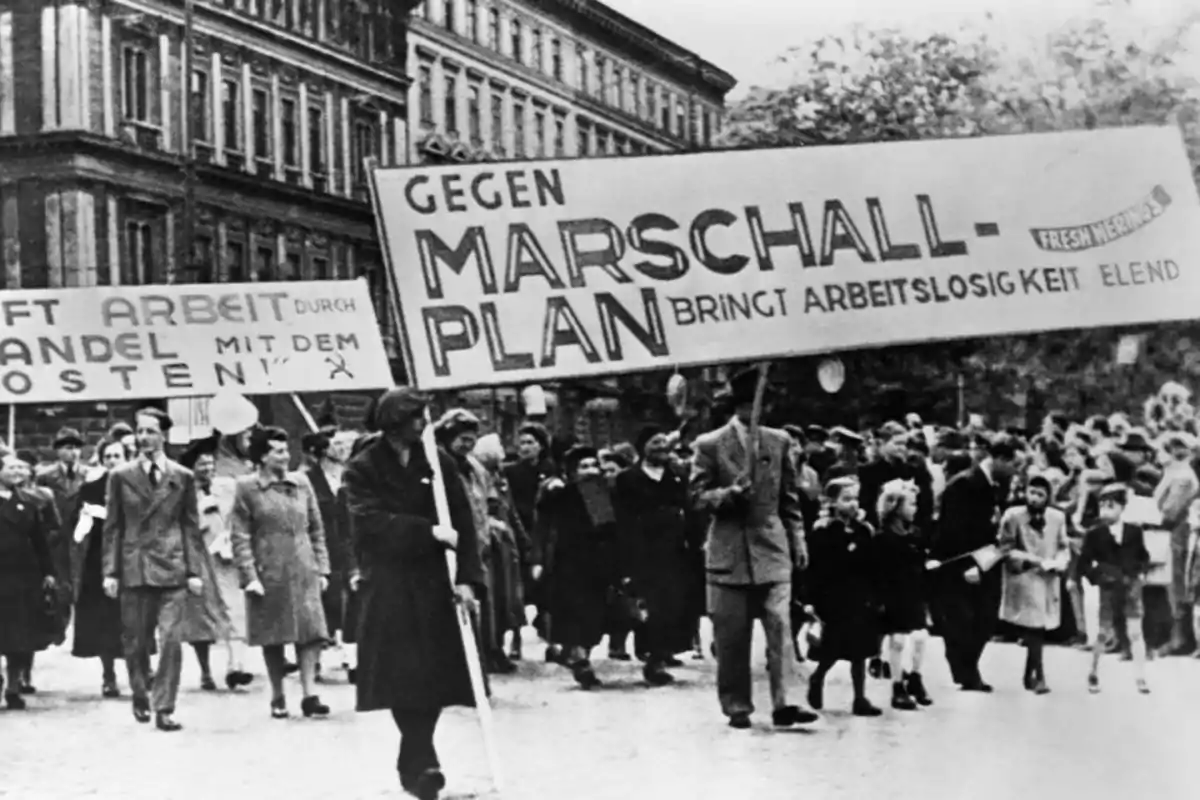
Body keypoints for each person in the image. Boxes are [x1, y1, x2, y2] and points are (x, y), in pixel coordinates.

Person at [342, 388, 484, 800]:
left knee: (433, 674)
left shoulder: (438, 463)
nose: (425, 424)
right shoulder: (363, 467)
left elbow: (463, 522)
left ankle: (417, 756)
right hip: (389, 584)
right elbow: (367, 524)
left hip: (434, 582)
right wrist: (427, 532)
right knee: (401, 676)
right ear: (395, 421)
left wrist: (468, 579)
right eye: (418, 417)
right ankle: (422, 759)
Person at [689, 367, 816, 730]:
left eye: (758, 404)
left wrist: (797, 538)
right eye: (746, 404)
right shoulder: (710, 444)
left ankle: (787, 701)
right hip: (728, 551)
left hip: (772, 548)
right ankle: (737, 705)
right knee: (731, 635)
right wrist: (728, 495)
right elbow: (696, 497)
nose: (754, 411)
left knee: (781, 625)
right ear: (736, 405)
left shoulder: (779, 442)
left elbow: (789, 499)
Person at [102, 407, 206, 732]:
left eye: (150, 431)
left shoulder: (182, 476)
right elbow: (113, 527)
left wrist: (194, 571)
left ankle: (164, 706)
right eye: (140, 431)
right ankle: (139, 691)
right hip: (135, 567)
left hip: (172, 567)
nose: (144, 437)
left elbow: (190, 526)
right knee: (136, 642)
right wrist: (110, 571)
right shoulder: (120, 476)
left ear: (164, 435)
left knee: (171, 640)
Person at [230, 426, 331, 719]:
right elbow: (240, 536)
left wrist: (322, 568)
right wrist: (249, 576)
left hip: (303, 566)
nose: (285, 456)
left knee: (310, 633)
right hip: (268, 569)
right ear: (263, 457)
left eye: (286, 450)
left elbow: (316, 528)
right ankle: (277, 694)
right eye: (278, 451)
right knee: (274, 635)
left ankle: (310, 694)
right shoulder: (247, 487)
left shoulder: (301, 483)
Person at [930, 435, 1017, 692]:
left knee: (986, 618)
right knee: (962, 620)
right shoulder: (965, 483)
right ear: (1000, 459)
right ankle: (966, 672)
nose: (1015, 471)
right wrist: (967, 565)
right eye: (1013, 464)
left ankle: (967, 669)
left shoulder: (993, 484)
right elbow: (953, 529)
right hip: (963, 562)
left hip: (987, 559)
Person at [532, 446, 622, 688]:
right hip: (569, 565)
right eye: (584, 467)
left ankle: (580, 656)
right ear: (572, 472)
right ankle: (580, 660)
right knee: (573, 615)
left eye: (594, 465)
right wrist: (538, 560)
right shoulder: (560, 495)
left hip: (600, 565)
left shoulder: (607, 495)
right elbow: (543, 526)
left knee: (596, 615)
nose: (591, 471)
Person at [613, 427, 694, 686]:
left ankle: (663, 652)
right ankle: (653, 658)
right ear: (642, 447)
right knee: (648, 604)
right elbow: (622, 517)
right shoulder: (628, 479)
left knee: (672, 603)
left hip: (674, 550)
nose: (661, 447)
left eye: (663, 442)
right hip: (642, 550)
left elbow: (688, 509)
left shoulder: (676, 476)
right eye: (654, 442)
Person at [804, 477, 883, 716]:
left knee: (860, 650)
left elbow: (872, 563)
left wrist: (875, 594)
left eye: (855, 498)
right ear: (832, 502)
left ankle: (860, 697)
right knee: (833, 646)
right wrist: (810, 600)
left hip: (859, 595)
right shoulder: (824, 530)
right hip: (833, 597)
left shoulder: (864, 529)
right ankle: (818, 677)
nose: (853, 504)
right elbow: (815, 568)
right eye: (846, 499)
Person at [180, 435, 252, 691]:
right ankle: (205, 671)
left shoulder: (226, 487)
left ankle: (236, 666)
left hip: (225, 557)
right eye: (202, 464)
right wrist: (202, 513)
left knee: (234, 609)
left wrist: (231, 535)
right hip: (199, 556)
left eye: (211, 464)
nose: (208, 469)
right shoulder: (184, 492)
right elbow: (182, 525)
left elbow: (240, 514)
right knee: (201, 617)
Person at [68, 440, 131, 698]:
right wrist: (86, 519)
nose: (112, 460)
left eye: (117, 456)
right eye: (108, 456)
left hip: (131, 556)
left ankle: (141, 669)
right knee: (104, 619)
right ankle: (109, 675)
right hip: (99, 558)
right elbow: (77, 531)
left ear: (126, 458)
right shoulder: (91, 488)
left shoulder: (137, 484)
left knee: (135, 617)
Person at [997, 474, 1070, 694]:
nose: (1035, 498)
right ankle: (1039, 676)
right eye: (1031, 492)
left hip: (1047, 576)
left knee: (1037, 626)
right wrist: (1031, 560)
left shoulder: (1057, 517)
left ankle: (1030, 672)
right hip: (1024, 575)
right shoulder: (1013, 516)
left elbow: (1063, 545)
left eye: (1040, 494)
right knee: (1035, 625)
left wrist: (1060, 562)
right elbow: (1005, 547)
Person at [1079, 483, 1152, 695]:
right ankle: (1093, 672)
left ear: (1122, 507)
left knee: (1135, 632)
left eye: (1111, 506)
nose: (1105, 511)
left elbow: (1144, 556)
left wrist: (1141, 573)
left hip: (1131, 586)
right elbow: (1084, 564)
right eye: (1102, 506)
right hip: (1108, 588)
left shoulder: (1134, 531)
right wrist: (1098, 578)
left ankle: (1141, 676)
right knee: (1103, 633)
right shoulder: (1094, 534)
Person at [0, 452, 58, 709]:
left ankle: (13, 687)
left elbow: (40, 542)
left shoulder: (28, 503)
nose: (17, 473)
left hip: (23, 577)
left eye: (20, 468)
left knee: (19, 636)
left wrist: (48, 572)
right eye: (11, 468)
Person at [873, 478, 933, 709]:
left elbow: (920, 561)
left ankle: (915, 677)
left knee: (920, 637)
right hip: (893, 594)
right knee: (897, 640)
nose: (914, 509)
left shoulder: (916, 534)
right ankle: (897, 685)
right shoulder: (883, 537)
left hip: (914, 592)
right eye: (910, 504)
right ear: (895, 506)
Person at [1153, 432, 1199, 655]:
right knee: (1172, 584)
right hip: (1171, 534)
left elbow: (1171, 510)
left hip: (1177, 534)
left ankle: (1180, 638)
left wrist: (1150, 516)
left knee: (1177, 584)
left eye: (1161, 450)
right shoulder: (1173, 473)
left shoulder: (1182, 476)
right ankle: (1175, 636)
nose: (1157, 455)